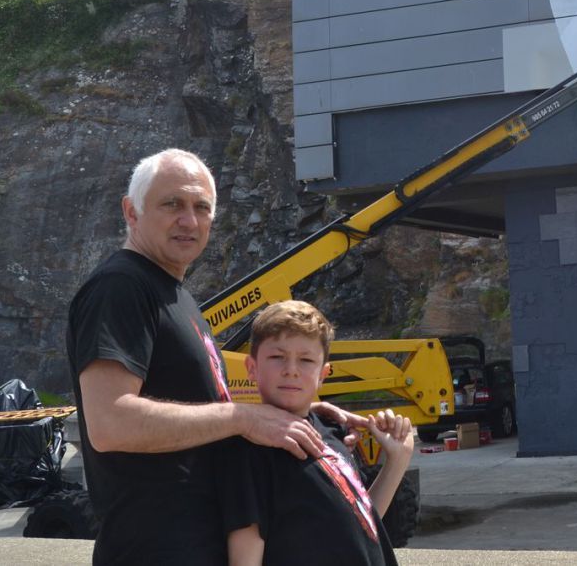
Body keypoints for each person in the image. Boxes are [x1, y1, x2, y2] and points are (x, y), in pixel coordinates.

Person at [67, 148, 369, 566]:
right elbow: (110, 423)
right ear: (131, 212)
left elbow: (193, 411)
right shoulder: (120, 287)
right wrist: (244, 418)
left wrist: (296, 415)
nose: (188, 220)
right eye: (172, 204)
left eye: (201, 207)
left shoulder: (174, 294)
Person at [221, 300, 416, 566]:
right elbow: (245, 556)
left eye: (306, 360)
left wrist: (396, 461)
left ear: (323, 374)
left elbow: (360, 525)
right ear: (251, 368)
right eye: (277, 357)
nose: (291, 369)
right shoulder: (249, 450)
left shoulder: (330, 432)